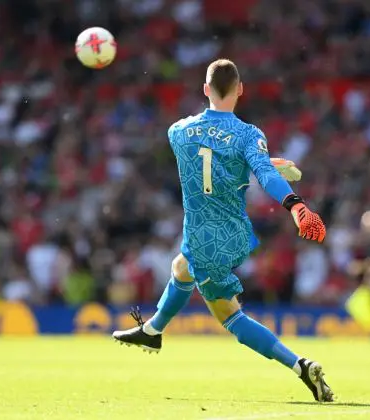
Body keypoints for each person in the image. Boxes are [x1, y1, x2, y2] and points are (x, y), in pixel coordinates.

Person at [112, 59, 333, 402]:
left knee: (230, 316)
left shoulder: (178, 131)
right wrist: (295, 204)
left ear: (205, 90)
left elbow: (208, 160)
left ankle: (300, 365)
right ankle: (153, 330)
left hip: (204, 236)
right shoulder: (248, 135)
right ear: (241, 89)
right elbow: (264, 175)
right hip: (231, 231)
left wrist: (250, 165)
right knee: (180, 268)